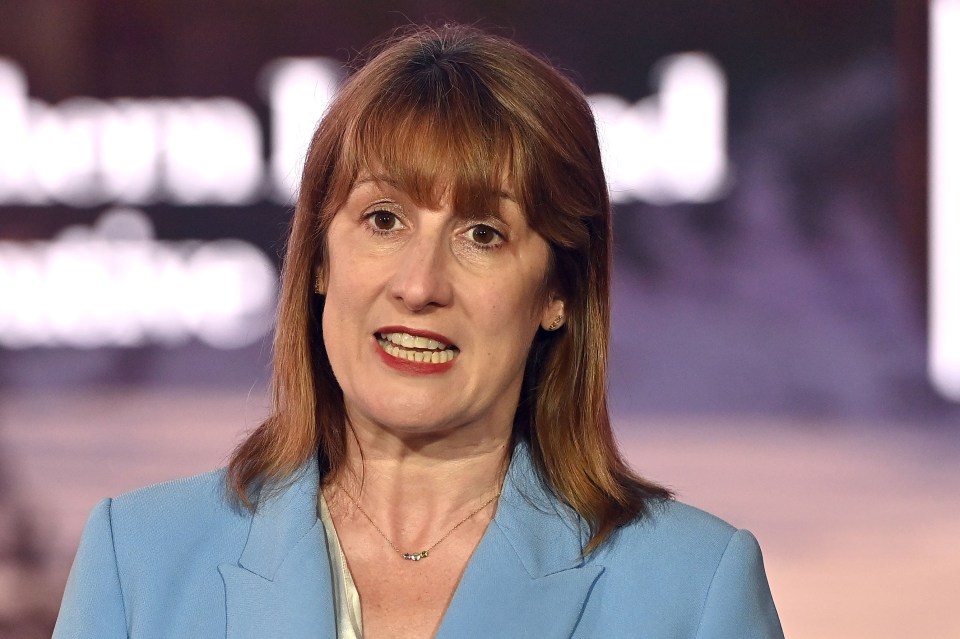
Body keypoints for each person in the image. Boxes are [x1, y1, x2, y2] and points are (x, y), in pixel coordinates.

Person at [54, 24, 784, 638]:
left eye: (483, 234)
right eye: (384, 219)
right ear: (319, 260)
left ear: (557, 292)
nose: (420, 284)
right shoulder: (139, 562)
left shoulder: (692, 590)